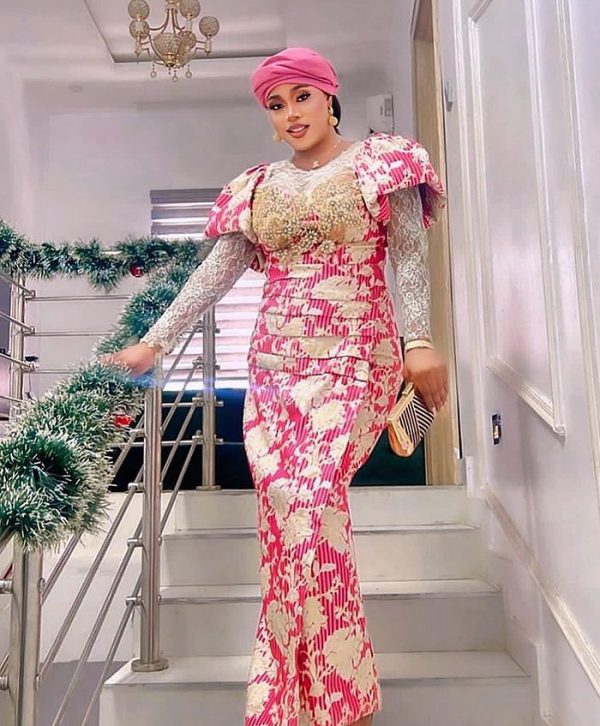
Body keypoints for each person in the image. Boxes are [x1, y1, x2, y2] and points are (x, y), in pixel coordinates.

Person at [107, 46, 448, 726]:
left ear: (330, 97)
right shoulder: (257, 188)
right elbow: (215, 273)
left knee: (312, 505)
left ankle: (337, 697)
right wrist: (155, 342)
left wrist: (419, 341)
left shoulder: (384, 162)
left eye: (301, 97)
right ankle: (293, 697)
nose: (291, 113)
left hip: (356, 356)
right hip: (273, 367)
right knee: (285, 522)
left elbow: (410, 255)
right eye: (276, 104)